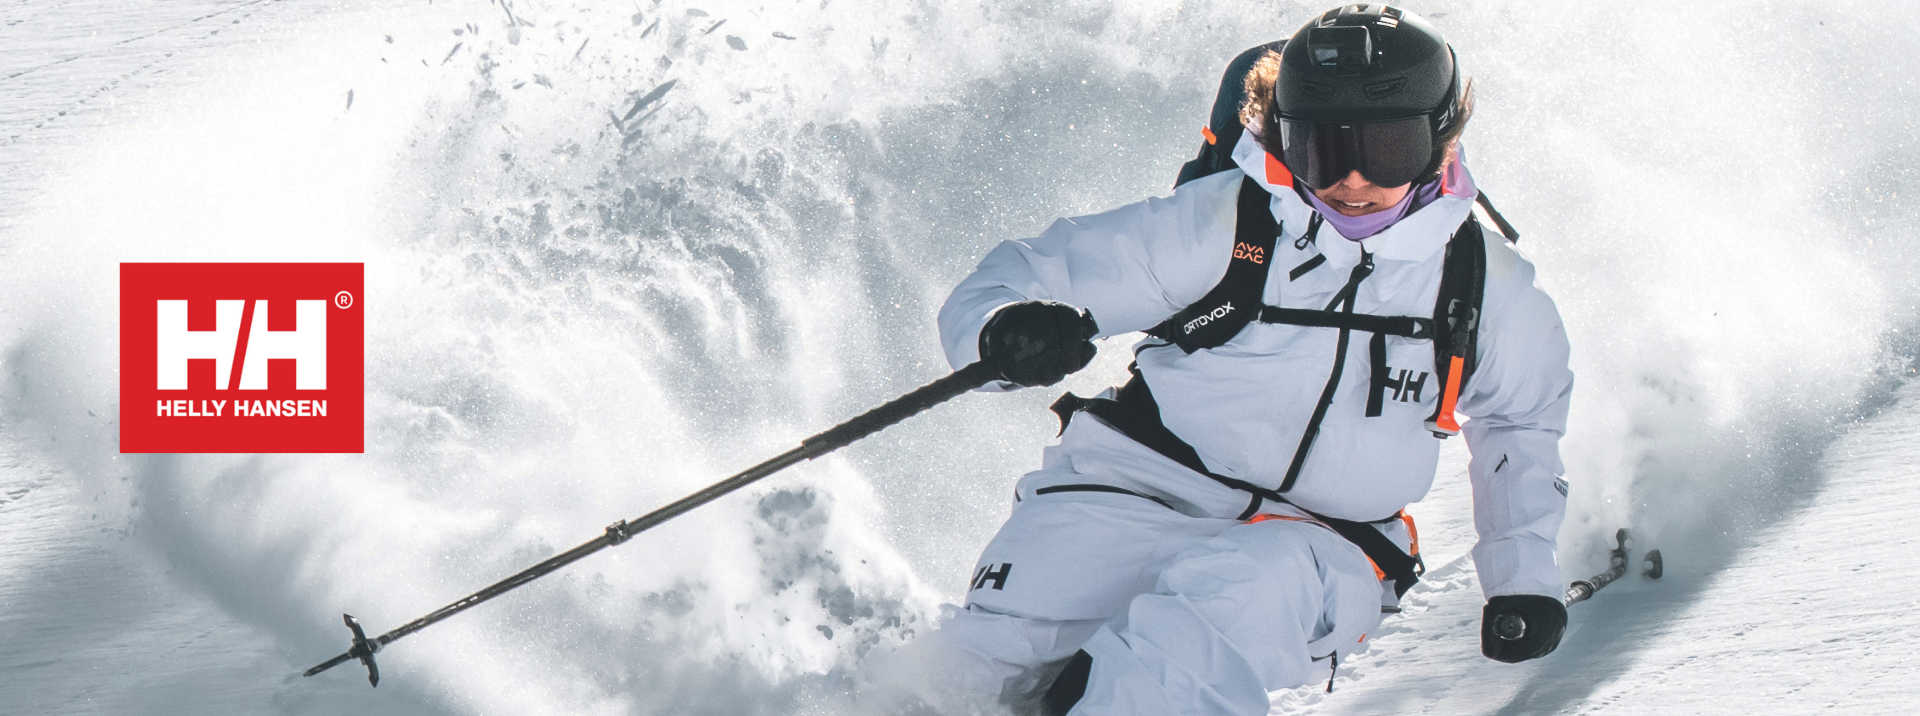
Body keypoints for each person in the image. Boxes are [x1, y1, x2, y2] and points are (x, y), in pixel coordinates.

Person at [914, 5, 1575, 715]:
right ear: (1286, 137)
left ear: (1439, 139)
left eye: (1386, 149)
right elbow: (1017, 277)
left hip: (1321, 544)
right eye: (1324, 151)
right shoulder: (1225, 223)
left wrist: (1521, 574)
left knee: (1202, 636)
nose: (1353, 179)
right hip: (1130, 493)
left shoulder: (1480, 282)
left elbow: (1521, 422)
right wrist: (1004, 332)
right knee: (976, 678)